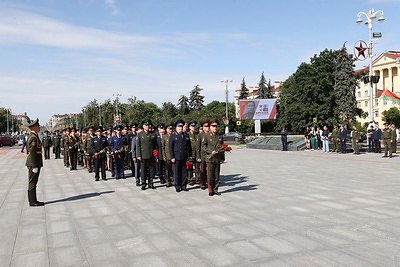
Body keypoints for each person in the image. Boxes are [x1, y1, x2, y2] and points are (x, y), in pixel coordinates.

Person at [202, 118, 224, 196]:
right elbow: (203, 146)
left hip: (217, 158)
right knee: (210, 175)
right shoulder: (206, 135)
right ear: (210, 127)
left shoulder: (219, 136)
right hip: (210, 158)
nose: (215, 128)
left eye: (216, 126)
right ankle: (210, 189)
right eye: (213, 126)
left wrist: (222, 157)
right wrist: (210, 151)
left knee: (217, 174)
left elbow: (222, 147)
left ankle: (216, 189)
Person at [25, 119, 44, 206]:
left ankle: (33, 200)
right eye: (38, 126)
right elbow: (32, 152)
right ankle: (32, 201)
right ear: (34, 127)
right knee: (32, 181)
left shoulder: (34, 136)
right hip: (34, 163)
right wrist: (34, 166)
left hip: (34, 162)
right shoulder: (33, 137)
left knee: (33, 181)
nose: (39, 127)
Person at [169, 119, 192, 192]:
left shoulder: (185, 135)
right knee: (177, 172)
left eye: (182, 127)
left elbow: (189, 146)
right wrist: (172, 157)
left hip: (184, 156)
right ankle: (177, 185)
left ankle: (183, 185)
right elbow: (170, 147)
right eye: (179, 127)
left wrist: (190, 155)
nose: (180, 128)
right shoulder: (173, 135)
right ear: (176, 128)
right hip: (176, 156)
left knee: (184, 172)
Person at [137, 119, 157, 190]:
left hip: (151, 155)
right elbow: (138, 146)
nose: (148, 126)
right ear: (143, 126)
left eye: (148, 125)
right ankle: (143, 183)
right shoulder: (140, 134)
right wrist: (139, 155)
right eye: (146, 125)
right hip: (143, 155)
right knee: (143, 170)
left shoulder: (153, 134)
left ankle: (150, 183)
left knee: (151, 170)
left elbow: (155, 146)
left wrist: (155, 155)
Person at [197, 120, 210, 190]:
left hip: (209, 155)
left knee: (209, 170)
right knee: (203, 170)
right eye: (206, 126)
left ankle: (209, 182)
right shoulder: (200, 135)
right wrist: (198, 156)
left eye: (208, 126)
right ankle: (202, 183)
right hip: (202, 155)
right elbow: (198, 147)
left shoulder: (211, 134)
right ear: (203, 127)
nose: (207, 127)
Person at [162, 123, 174, 187]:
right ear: (166, 129)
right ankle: (167, 181)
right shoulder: (164, 137)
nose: (170, 130)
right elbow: (163, 147)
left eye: (171, 129)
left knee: (173, 169)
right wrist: (164, 156)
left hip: (173, 156)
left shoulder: (174, 136)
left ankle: (172, 180)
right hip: (167, 155)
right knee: (167, 169)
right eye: (169, 129)